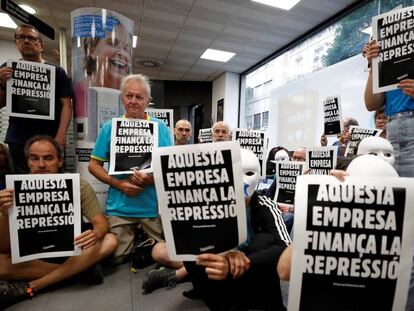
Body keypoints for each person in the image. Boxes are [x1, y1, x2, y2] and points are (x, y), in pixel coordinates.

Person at [0, 135, 118, 309]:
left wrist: (95, 233)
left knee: (110, 240)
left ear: (60, 161)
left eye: (48, 158)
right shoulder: (11, 191)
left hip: (72, 250)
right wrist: (4, 214)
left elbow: (101, 224)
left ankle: (34, 285)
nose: (41, 165)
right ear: (28, 161)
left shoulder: (78, 185)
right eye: (35, 158)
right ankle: (79, 271)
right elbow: (3, 247)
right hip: (34, 256)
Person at [184, 148, 291, 310]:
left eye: (248, 173)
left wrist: (246, 261)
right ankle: (211, 295)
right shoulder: (211, 205)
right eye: (234, 173)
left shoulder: (265, 205)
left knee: (264, 241)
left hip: (253, 263)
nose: (242, 181)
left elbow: (283, 244)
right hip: (223, 260)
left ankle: (269, 304)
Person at [88, 74, 172, 264]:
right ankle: (137, 244)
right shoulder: (109, 127)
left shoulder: (160, 128)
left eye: (139, 97)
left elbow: (170, 166)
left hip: (152, 206)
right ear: (122, 98)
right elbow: (93, 165)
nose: (133, 101)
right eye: (129, 96)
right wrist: (118, 184)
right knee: (116, 257)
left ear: (148, 101)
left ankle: (142, 244)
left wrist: (151, 179)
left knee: (160, 253)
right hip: (120, 206)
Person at [0, 24, 72, 174]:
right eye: (21, 37)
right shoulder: (7, 69)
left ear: (40, 45)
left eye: (32, 38)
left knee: (54, 183)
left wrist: (61, 136)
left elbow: (66, 104)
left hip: (50, 137)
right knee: (23, 185)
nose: (26, 41)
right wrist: (1, 84)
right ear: (16, 42)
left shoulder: (56, 72)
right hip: (19, 138)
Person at [73, 19, 132, 119]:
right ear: (92, 50)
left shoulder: (128, 98)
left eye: (126, 48)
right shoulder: (78, 92)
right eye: (112, 43)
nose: (122, 53)